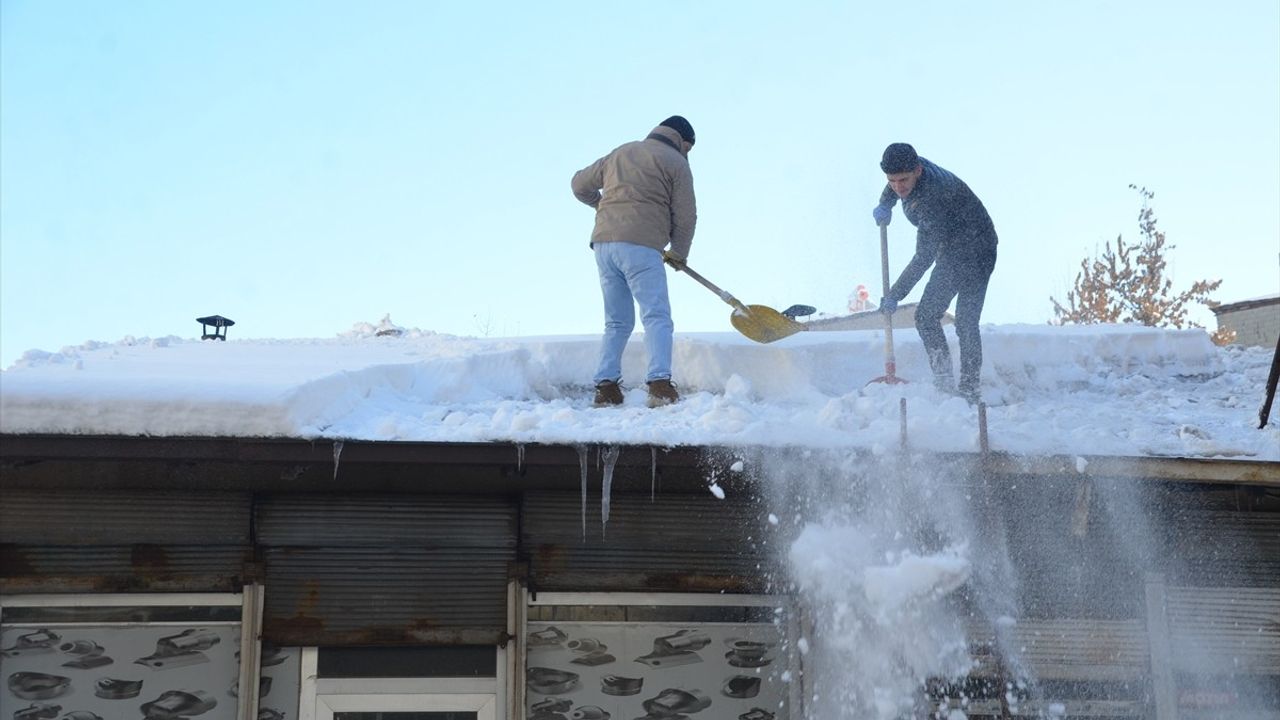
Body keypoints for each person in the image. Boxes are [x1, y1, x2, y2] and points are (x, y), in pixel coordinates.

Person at [572, 116, 697, 408]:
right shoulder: (676, 163)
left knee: (617, 321)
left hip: (604, 246)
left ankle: (606, 388)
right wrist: (679, 252)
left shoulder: (621, 152)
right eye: (688, 148)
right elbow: (686, 215)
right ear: (682, 141)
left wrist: (601, 204)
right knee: (656, 316)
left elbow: (579, 185)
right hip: (641, 245)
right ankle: (659, 385)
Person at [872, 143, 997, 403]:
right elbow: (896, 184)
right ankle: (946, 385)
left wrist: (895, 294)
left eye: (903, 180)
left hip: (977, 248)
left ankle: (966, 390)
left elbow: (924, 257)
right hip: (954, 244)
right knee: (928, 317)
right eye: (891, 181)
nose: (898, 187)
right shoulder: (910, 169)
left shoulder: (931, 199)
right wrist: (886, 203)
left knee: (963, 320)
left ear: (917, 170)